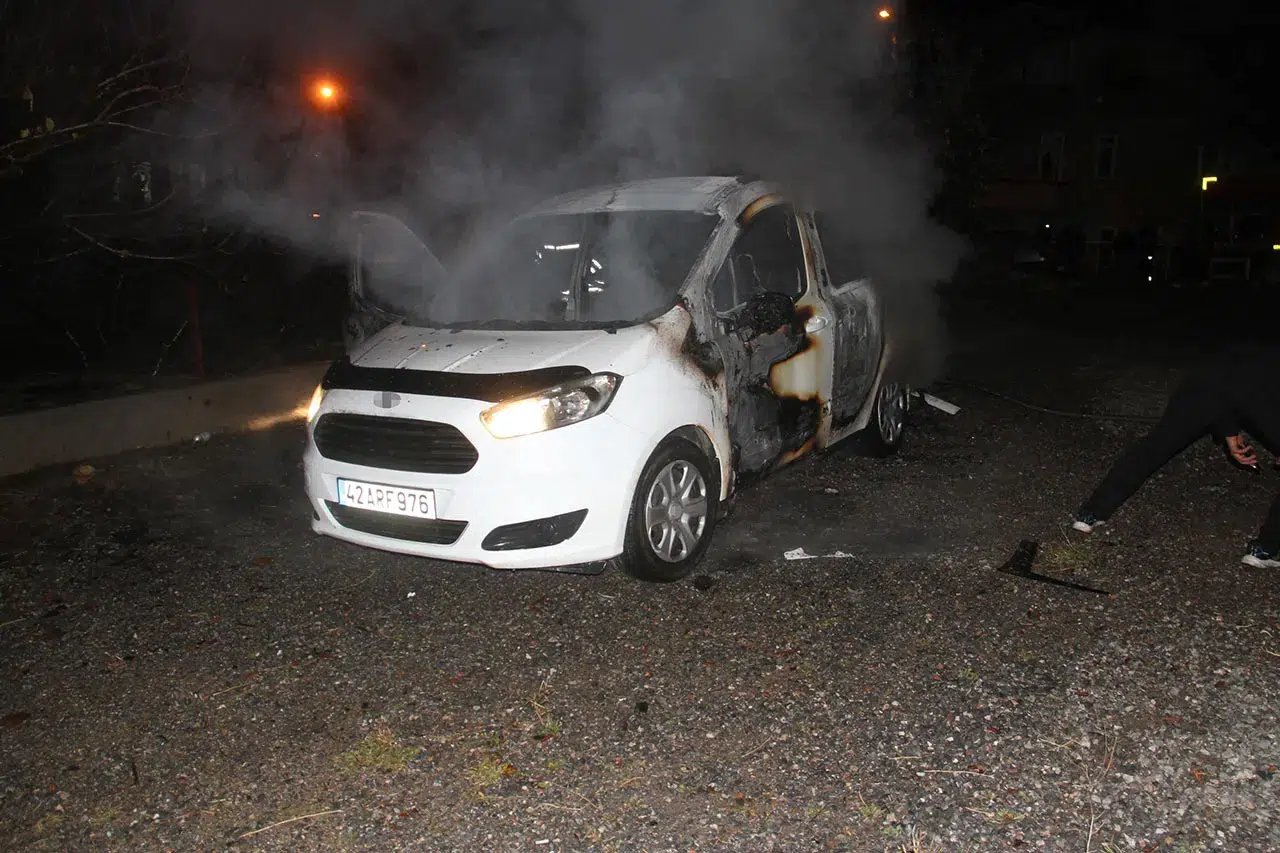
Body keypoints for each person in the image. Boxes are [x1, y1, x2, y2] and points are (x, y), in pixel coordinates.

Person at [1072, 345, 1280, 568]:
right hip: (1245, 385)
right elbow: (1243, 394)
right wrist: (1230, 430)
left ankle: (1091, 514)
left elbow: (1227, 389)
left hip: (1211, 377)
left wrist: (1229, 432)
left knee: (1155, 446)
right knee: (1158, 444)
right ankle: (1265, 549)